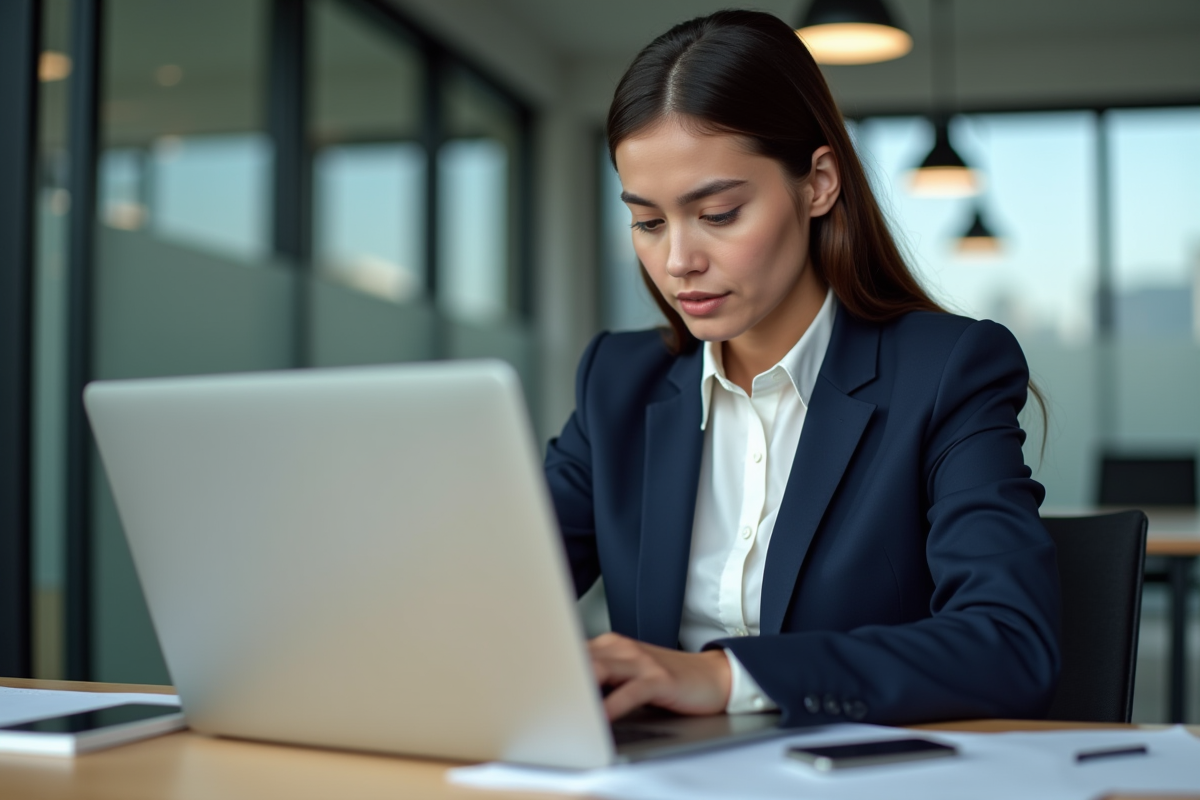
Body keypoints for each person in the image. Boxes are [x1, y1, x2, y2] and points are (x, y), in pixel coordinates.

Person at [544, 9, 1060, 728]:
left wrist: (726, 678)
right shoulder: (617, 385)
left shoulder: (948, 372)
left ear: (818, 184)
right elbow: (493, 590)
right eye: (649, 222)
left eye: (718, 213)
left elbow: (1010, 645)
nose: (677, 261)